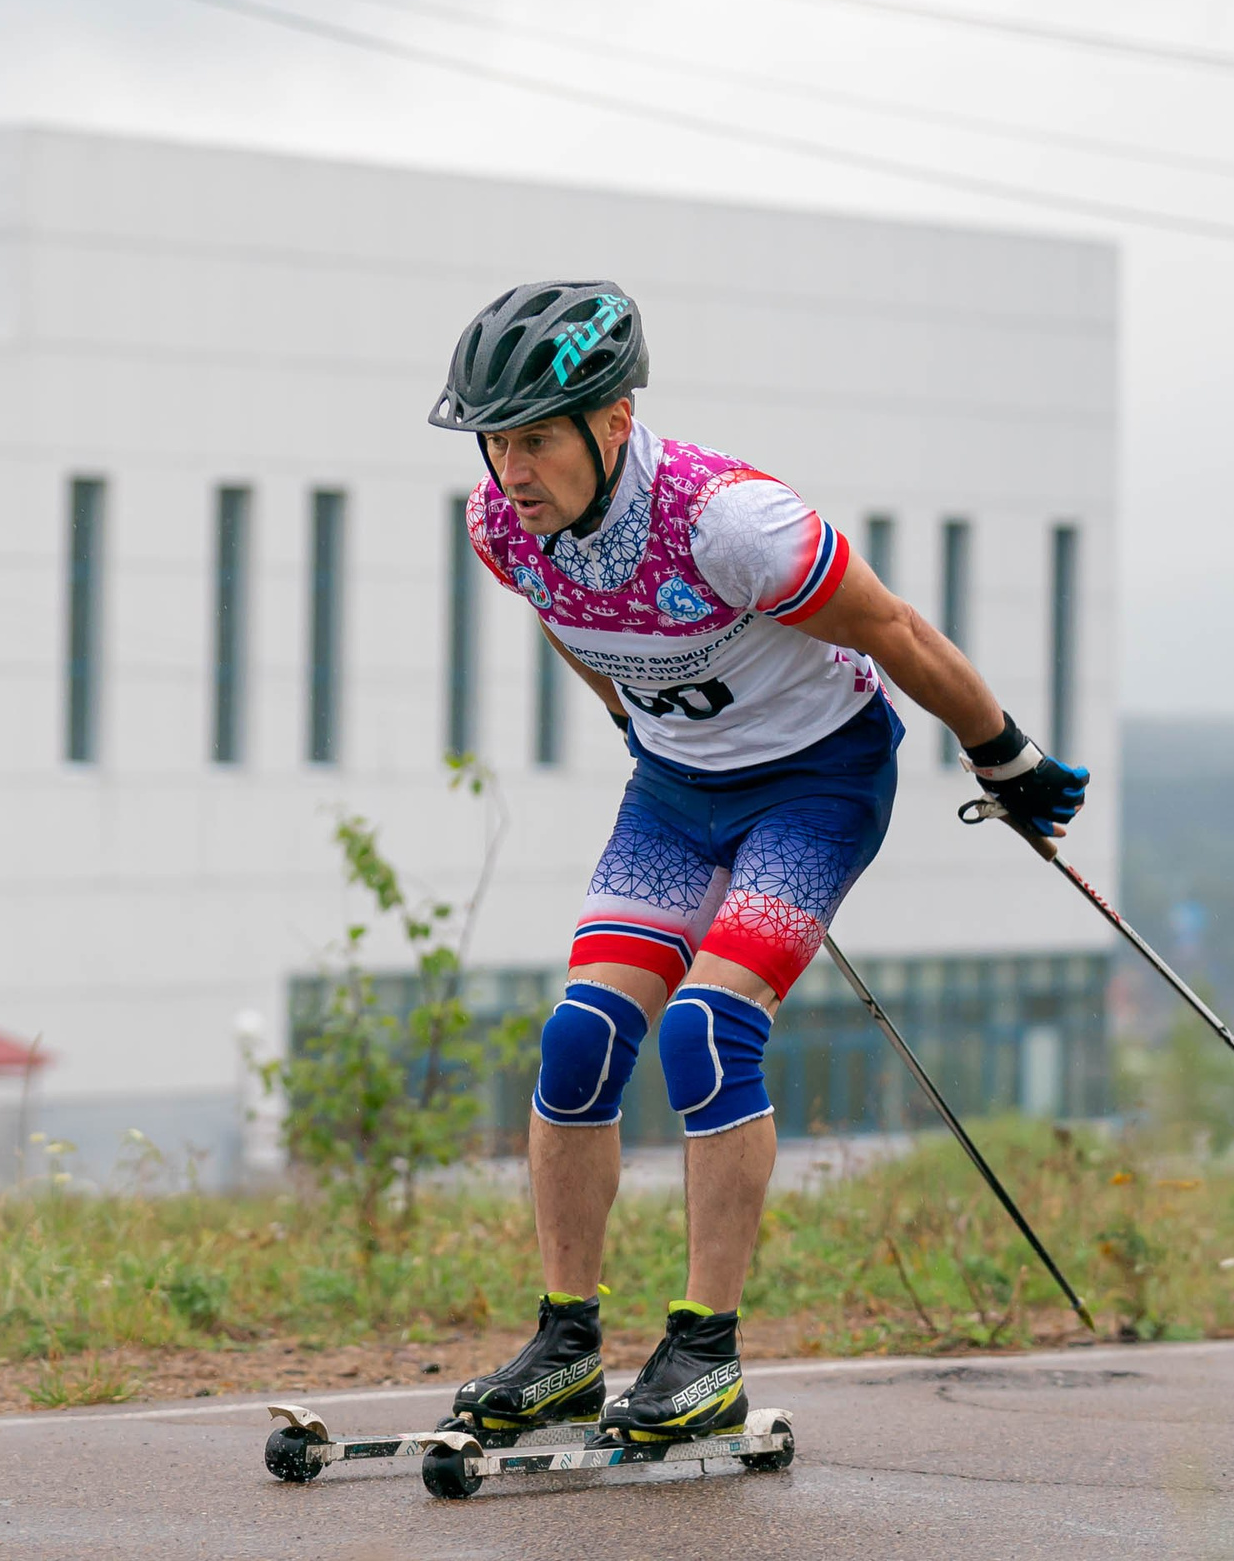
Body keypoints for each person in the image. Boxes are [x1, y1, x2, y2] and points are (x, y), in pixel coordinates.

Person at [431, 280, 1089, 1442]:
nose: (510, 470)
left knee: (702, 1028)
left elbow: (893, 630)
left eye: (535, 439)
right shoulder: (501, 528)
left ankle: (704, 1350)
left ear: (615, 421)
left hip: (815, 784)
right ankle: (567, 1345)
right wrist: (649, 728)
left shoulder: (730, 525)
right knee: (579, 1037)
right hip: (677, 792)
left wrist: (1004, 755)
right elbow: (576, 627)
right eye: (494, 442)